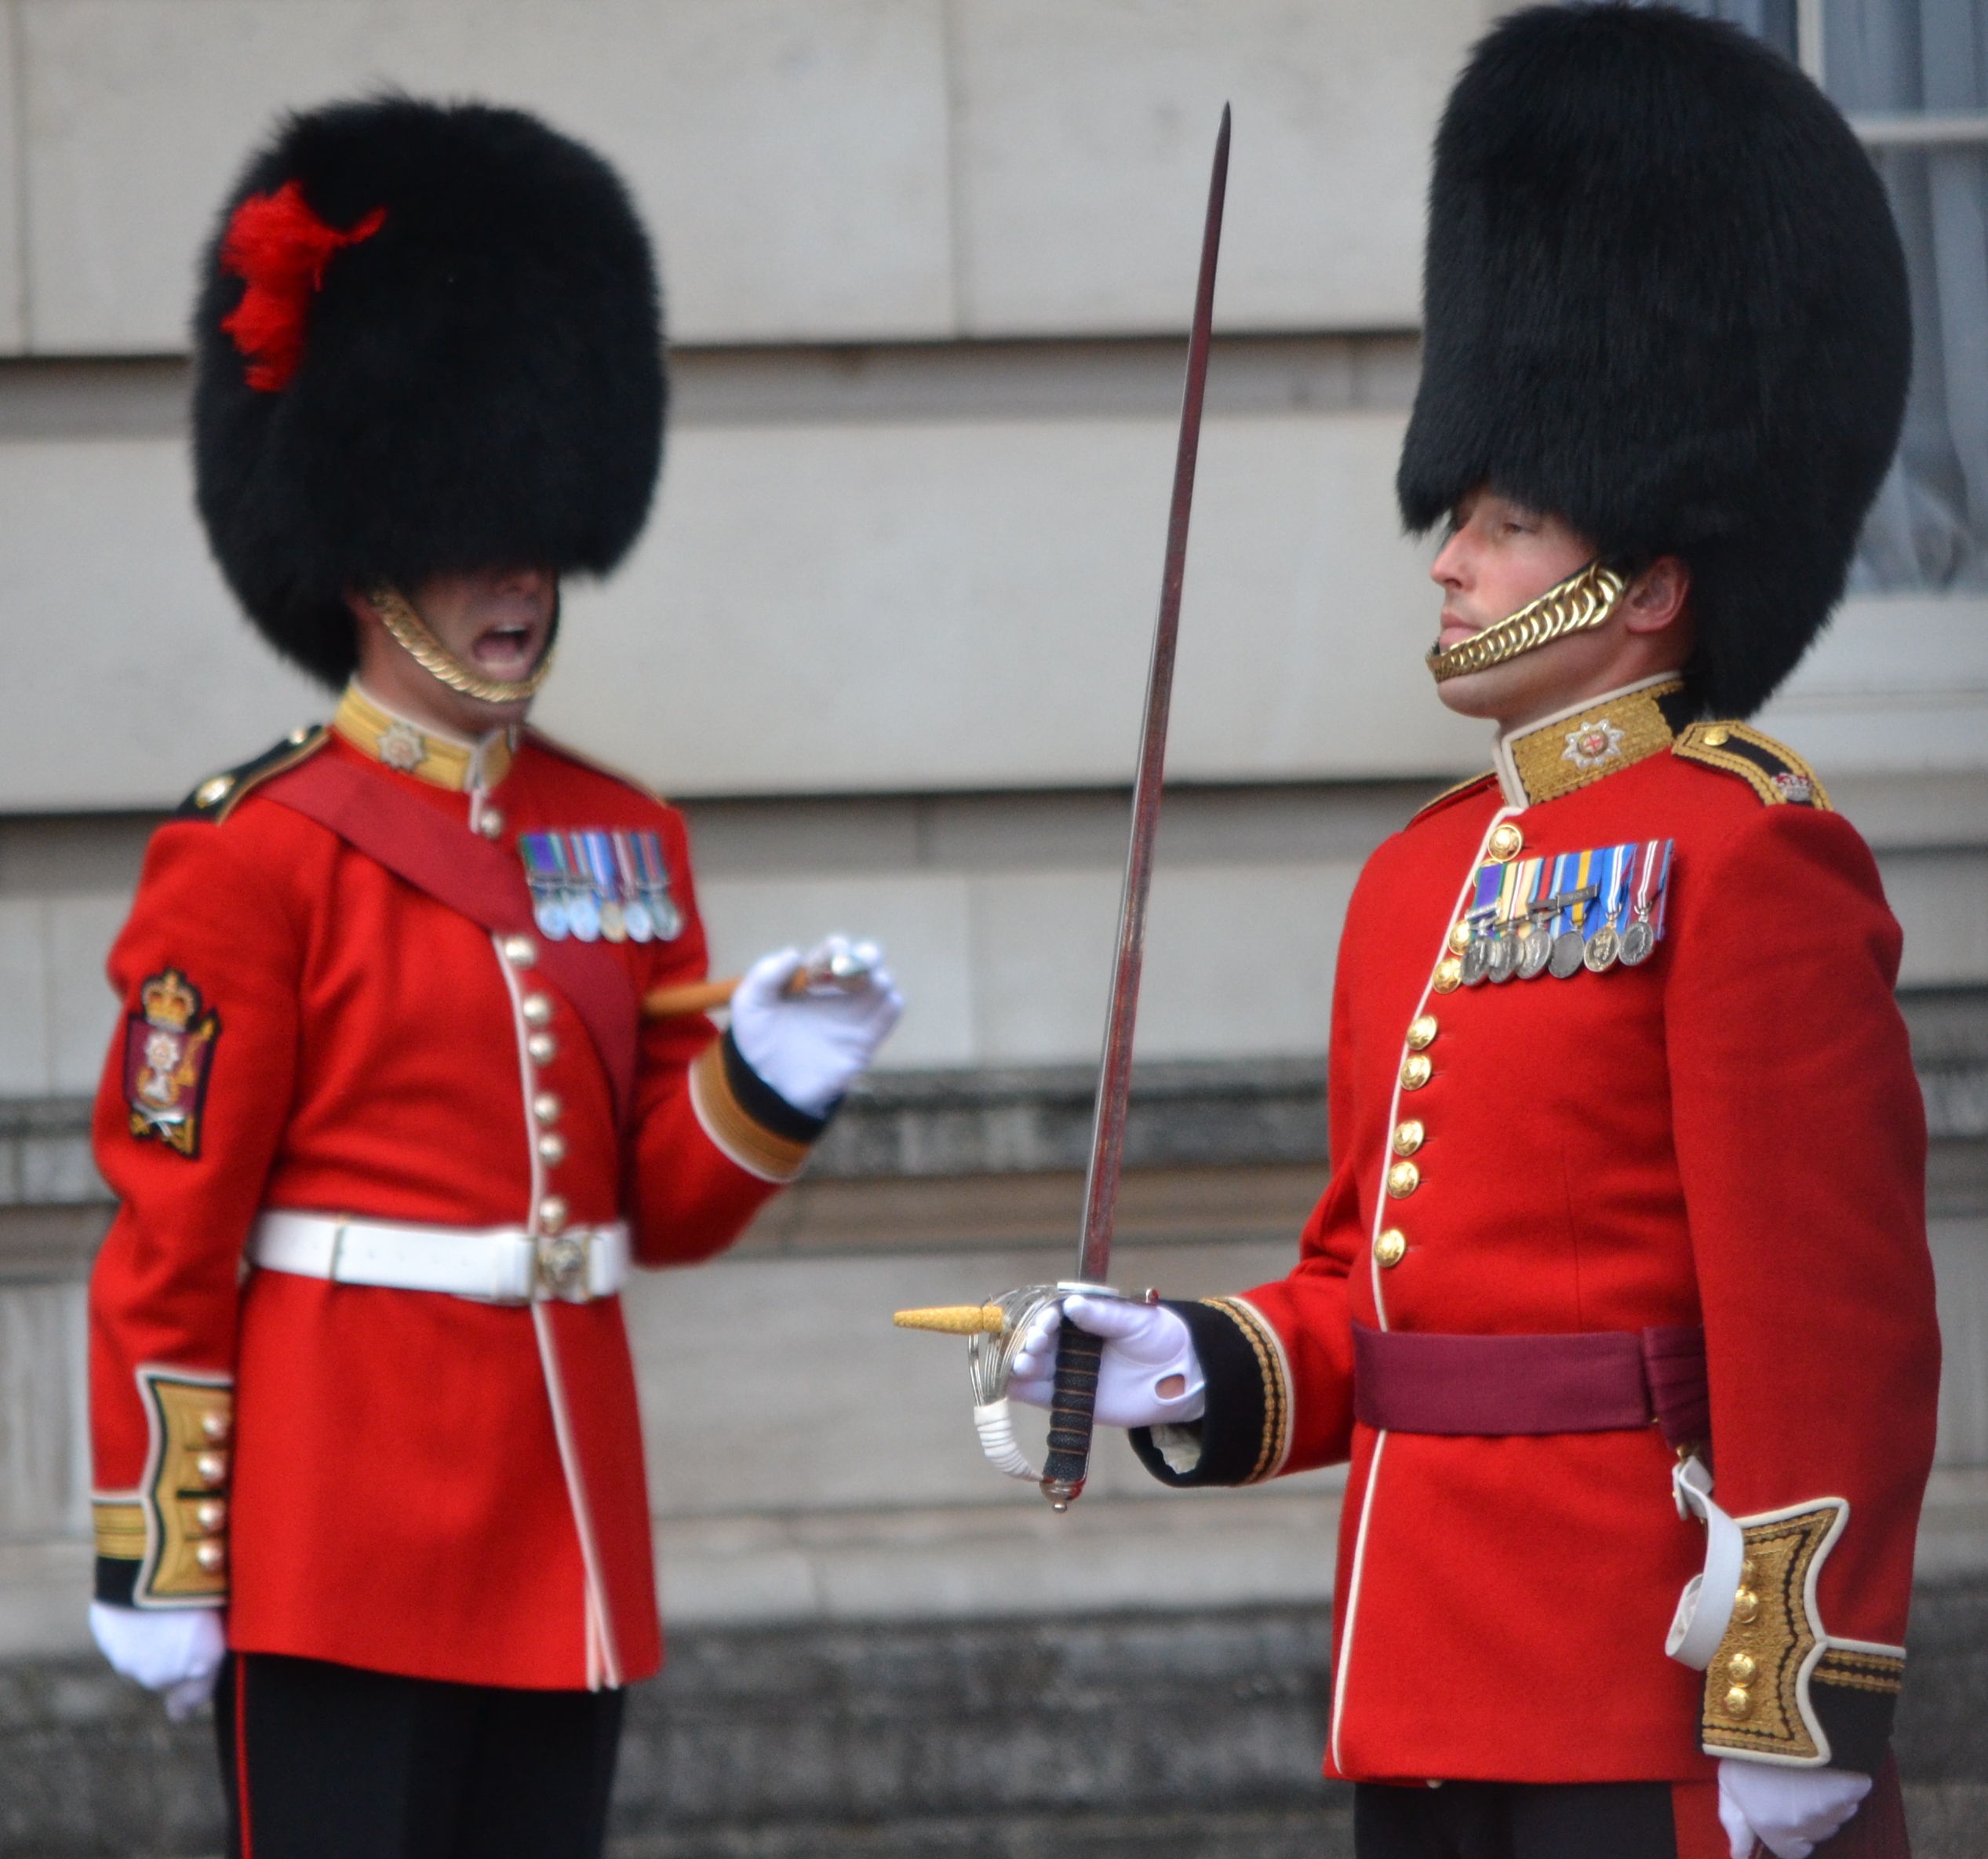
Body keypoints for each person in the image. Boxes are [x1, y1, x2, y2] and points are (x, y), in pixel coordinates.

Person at [1010, 9, 1939, 1857]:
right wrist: (1189, 1358)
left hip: (1635, 1676)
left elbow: (1826, 1321)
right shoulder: (1416, 879)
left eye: (1505, 524)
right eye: (1465, 516)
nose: (1449, 560)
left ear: (1649, 580)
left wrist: (1797, 1678)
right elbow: (1378, 1289)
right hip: (1420, 1672)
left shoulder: (1747, 856)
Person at [84, 97, 901, 1858]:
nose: (521, 572)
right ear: (366, 548)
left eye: (536, 528)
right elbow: (169, 1238)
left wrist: (773, 1076)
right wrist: (160, 1544)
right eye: (474, 529)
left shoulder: (620, 838)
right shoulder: (257, 852)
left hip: (563, 1527)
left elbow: (651, 1215)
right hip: (335, 1532)